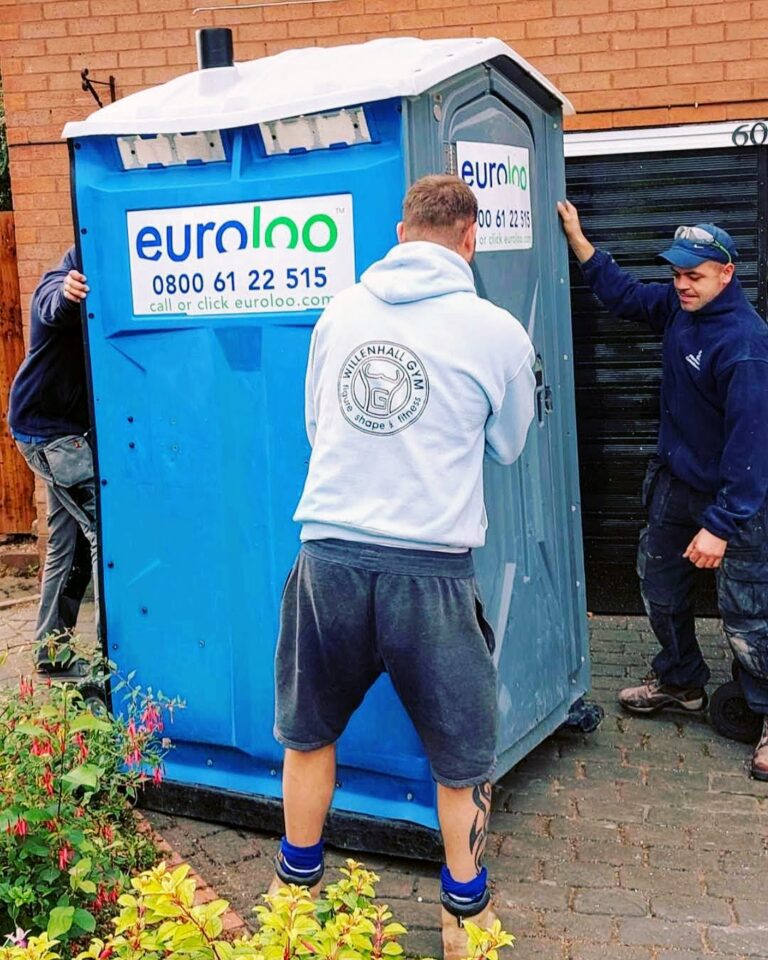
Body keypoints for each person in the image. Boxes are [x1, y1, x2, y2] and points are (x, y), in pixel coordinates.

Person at [270, 175, 536, 956]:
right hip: (431, 566)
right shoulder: (496, 332)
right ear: (470, 237)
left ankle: (294, 909)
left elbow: (320, 424)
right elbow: (511, 443)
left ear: (399, 230)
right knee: (462, 756)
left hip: (329, 556)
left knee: (308, 734)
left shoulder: (340, 311)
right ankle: (465, 918)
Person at [557, 200, 768, 782]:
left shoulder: (745, 345)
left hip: (737, 500)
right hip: (678, 484)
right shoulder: (680, 312)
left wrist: (723, 525)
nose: (681, 285)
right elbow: (623, 294)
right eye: (676, 274)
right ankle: (680, 682)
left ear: (727, 274)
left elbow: (753, 446)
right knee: (659, 584)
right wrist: (579, 239)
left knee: (748, 616)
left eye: (693, 275)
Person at [8, 247, 97, 677]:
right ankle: (113, 655)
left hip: (55, 430)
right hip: (50, 433)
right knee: (105, 533)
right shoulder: (58, 279)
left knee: (68, 542)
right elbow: (50, 305)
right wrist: (66, 292)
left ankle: (50, 651)